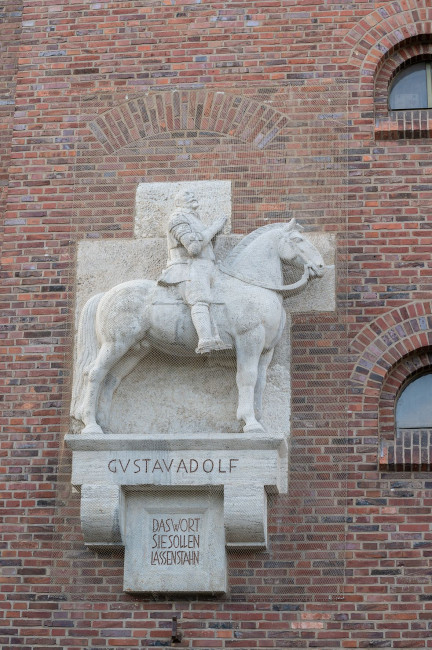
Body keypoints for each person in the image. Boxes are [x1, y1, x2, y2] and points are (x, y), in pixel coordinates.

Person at [158, 189, 231, 354]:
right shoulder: (177, 218)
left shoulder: (194, 219)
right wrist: (215, 227)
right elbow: (194, 247)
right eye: (187, 196)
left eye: (193, 195)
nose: (192, 196)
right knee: (200, 297)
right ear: (178, 203)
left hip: (205, 266)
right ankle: (206, 340)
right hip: (186, 267)